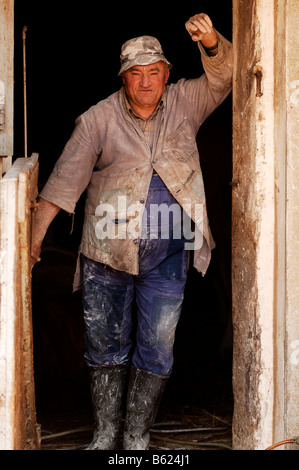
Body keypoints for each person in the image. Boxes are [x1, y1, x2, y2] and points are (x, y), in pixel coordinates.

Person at [31, 13, 233, 450]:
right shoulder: (96, 121)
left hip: (169, 254)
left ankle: (137, 437)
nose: (146, 82)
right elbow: (63, 184)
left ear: (166, 75)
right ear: (123, 78)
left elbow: (226, 77)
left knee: (158, 346)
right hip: (108, 253)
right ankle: (106, 436)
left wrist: (212, 42)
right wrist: (31, 240)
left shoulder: (186, 101)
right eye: (136, 74)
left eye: (154, 73)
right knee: (105, 346)